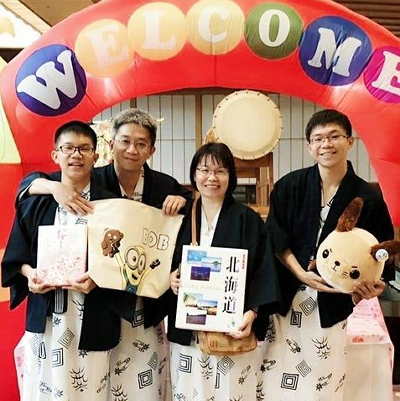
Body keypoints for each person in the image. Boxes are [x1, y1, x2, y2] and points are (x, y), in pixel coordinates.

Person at [15, 108, 192, 400]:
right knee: (94, 380)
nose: (132, 149)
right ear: (110, 145)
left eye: (141, 143)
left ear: (152, 150)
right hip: (99, 301)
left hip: (142, 301)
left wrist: (181, 199)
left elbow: (187, 213)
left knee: (140, 381)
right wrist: (54, 187)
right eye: (125, 141)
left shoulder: (163, 186)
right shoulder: (92, 180)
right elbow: (30, 184)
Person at [260, 109, 394, 400]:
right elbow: (275, 235)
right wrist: (300, 273)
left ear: (350, 142)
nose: (326, 144)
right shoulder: (289, 186)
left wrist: (376, 286)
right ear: (309, 146)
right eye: (318, 139)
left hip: (332, 302)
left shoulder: (368, 196)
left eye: (335, 136)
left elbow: (382, 254)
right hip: (287, 296)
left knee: (322, 379)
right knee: (275, 376)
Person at [1, 121, 120, 400]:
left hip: (91, 315)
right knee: (43, 388)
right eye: (68, 148)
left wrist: (98, 278)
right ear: (56, 154)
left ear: (96, 155)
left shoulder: (111, 204)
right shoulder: (37, 201)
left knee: (88, 389)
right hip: (47, 315)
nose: (76, 155)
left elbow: (122, 263)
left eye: (84, 149)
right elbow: (17, 254)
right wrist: (30, 275)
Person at [168, 142, 280, 400]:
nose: (212, 178)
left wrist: (252, 312)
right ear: (194, 174)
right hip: (189, 332)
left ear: (231, 176)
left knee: (231, 393)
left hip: (231, 330)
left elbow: (262, 270)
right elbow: (164, 261)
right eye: (204, 170)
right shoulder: (181, 217)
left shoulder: (247, 218)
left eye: (220, 171)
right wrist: (170, 277)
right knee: (190, 392)